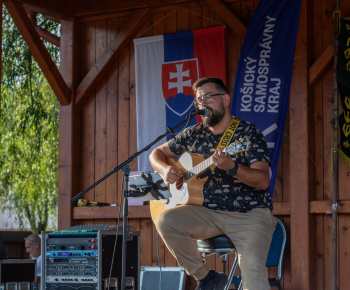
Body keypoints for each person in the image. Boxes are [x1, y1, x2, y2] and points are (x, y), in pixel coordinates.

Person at [149, 77, 277, 290]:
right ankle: (207, 278)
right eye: (199, 100)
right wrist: (165, 170)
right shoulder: (194, 134)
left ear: (225, 99)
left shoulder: (247, 133)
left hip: (250, 213)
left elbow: (263, 181)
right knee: (166, 220)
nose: (203, 104)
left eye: (208, 97)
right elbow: (157, 153)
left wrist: (233, 168)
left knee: (252, 268)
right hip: (207, 212)